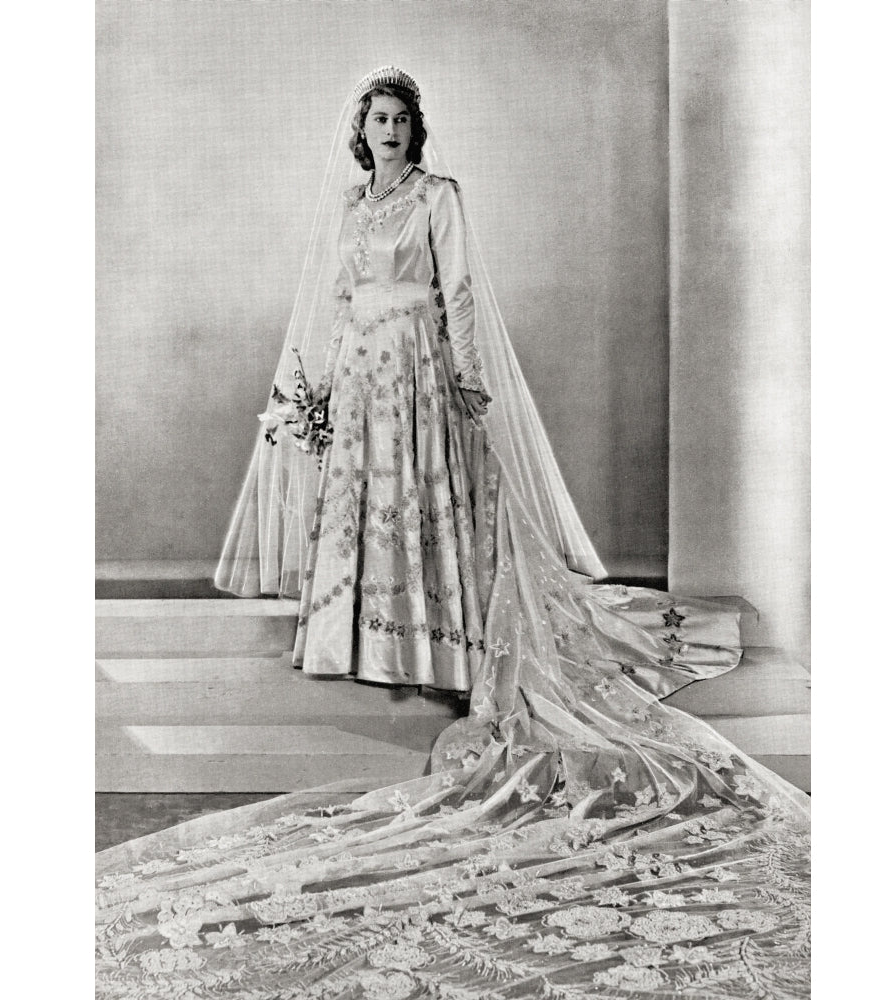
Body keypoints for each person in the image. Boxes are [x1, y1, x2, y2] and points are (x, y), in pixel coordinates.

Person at [96, 68, 810, 999]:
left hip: (421, 368)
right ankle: (357, 639)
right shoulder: (354, 205)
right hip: (362, 366)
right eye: (376, 119)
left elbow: (462, 290)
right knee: (365, 504)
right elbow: (340, 293)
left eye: (399, 119)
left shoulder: (440, 197)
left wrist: (467, 377)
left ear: (415, 130)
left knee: (424, 505)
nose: (388, 131)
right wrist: (323, 381)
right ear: (361, 131)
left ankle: (435, 638)